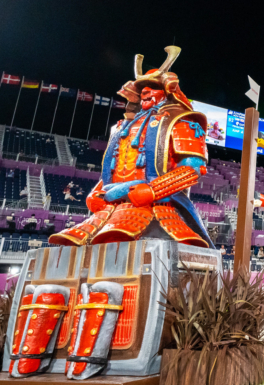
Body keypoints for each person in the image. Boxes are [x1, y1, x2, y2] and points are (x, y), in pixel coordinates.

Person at [49, 45, 214, 248]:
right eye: (142, 88)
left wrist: (153, 190)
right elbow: (114, 166)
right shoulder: (122, 126)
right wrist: (97, 191)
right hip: (112, 209)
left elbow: (192, 169)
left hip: (161, 209)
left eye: (152, 88)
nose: (144, 91)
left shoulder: (182, 122)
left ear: (166, 92)